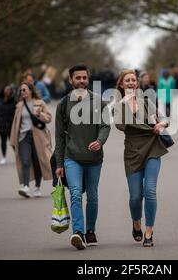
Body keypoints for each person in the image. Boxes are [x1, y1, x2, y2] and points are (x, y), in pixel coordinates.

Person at [54, 64, 111, 250]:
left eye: (84, 78)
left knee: (92, 197)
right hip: (72, 158)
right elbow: (59, 136)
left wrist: (100, 141)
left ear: (88, 79)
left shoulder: (99, 101)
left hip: (94, 159)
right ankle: (78, 232)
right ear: (71, 80)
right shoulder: (63, 105)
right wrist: (59, 162)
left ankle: (90, 230)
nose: (81, 81)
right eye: (77, 78)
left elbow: (105, 125)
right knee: (76, 194)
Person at [114, 69, 170, 247]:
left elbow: (164, 119)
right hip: (132, 152)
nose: (131, 83)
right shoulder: (118, 105)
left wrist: (161, 124)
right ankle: (136, 222)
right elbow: (120, 125)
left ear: (136, 84)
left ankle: (149, 231)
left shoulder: (146, 101)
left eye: (133, 80)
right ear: (122, 85)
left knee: (150, 191)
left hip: (153, 148)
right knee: (135, 197)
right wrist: (124, 103)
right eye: (127, 80)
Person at [10, 82, 53, 198]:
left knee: (37, 161)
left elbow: (49, 118)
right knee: (25, 161)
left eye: (24, 90)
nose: (22, 92)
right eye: (21, 90)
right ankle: (25, 186)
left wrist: (40, 115)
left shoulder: (39, 103)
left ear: (30, 91)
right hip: (24, 137)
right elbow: (15, 124)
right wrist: (13, 140)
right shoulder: (19, 106)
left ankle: (37, 187)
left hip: (38, 137)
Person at [0, 85, 16, 165]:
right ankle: (3, 157)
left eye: (9, 90)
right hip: (1, 124)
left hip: (11, 124)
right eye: (6, 90)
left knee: (13, 141)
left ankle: (17, 156)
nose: (7, 91)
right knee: (3, 141)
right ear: (3, 91)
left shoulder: (13, 100)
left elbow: (16, 112)